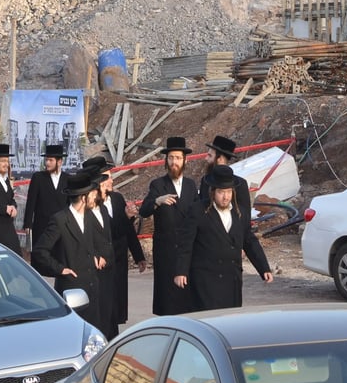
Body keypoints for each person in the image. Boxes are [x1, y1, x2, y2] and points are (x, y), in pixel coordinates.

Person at [174, 165, 273, 312]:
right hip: (206, 279)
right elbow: (185, 243)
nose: (225, 197)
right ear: (213, 192)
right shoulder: (198, 210)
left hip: (231, 278)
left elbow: (249, 240)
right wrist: (181, 271)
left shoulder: (241, 213)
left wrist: (263, 268)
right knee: (209, 320)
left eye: (228, 192)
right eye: (221, 192)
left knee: (230, 321)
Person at [31, 170, 105, 329]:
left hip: (92, 288)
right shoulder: (60, 220)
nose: (95, 197)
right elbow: (39, 251)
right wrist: (60, 269)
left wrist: (96, 256)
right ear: (84, 197)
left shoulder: (89, 216)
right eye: (92, 194)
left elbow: (94, 244)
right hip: (71, 290)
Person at [84, 156, 147, 337]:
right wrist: (125, 218)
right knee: (103, 307)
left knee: (116, 307)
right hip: (101, 264)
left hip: (118, 260)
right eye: (107, 177)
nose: (111, 180)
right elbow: (106, 232)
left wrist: (138, 256)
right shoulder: (91, 204)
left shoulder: (117, 199)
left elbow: (127, 231)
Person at [139, 137, 200, 315]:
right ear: (166, 160)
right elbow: (144, 211)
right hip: (166, 251)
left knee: (186, 300)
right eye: (171, 158)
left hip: (187, 250)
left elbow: (197, 215)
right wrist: (157, 201)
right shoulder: (158, 185)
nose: (174, 162)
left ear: (185, 160)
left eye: (178, 158)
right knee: (167, 300)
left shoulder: (190, 185)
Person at [22, 143, 69, 257]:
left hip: (61, 227)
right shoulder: (38, 177)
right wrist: (27, 224)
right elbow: (31, 202)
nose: (47, 163)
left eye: (50, 160)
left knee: (59, 256)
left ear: (59, 162)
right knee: (40, 256)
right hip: (41, 225)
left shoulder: (68, 179)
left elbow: (70, 204)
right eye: (46, 160)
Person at [197, 135, 252, 216]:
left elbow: (245, 216)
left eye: (210, 155)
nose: (206, 158)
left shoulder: (240, 184)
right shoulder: (205, 181)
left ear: (220, 159)